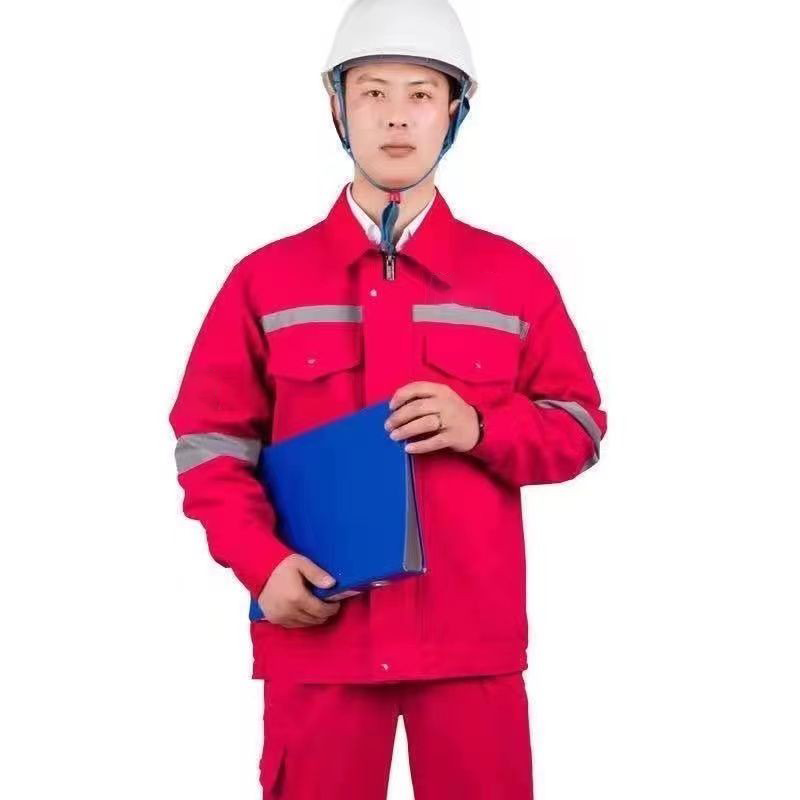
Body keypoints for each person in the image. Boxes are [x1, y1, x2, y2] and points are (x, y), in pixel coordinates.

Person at [168, 0, 607, 797]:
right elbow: (209, 444)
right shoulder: (266, 281)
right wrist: (261, 566)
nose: (397, 117)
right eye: (372, 92)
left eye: (421, 94)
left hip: (468, 646)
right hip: (320, 636)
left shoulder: (513, 279)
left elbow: (577, 426)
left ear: (454, 112)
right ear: (337, 106)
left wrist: (483, 426)